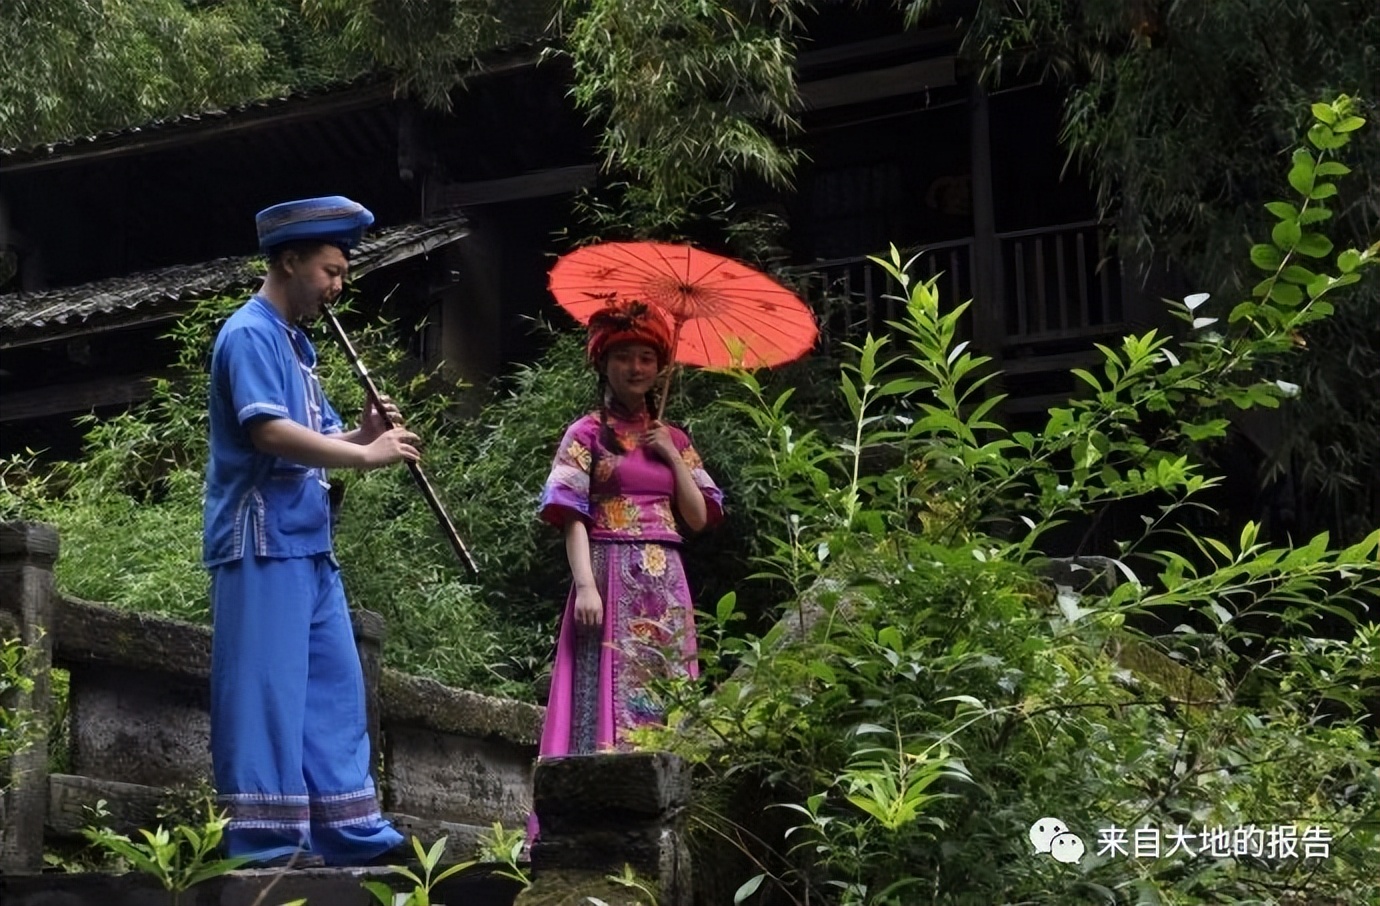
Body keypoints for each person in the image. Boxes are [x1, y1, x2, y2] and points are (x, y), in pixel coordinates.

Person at [202, 196, 415, 868]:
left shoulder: (299, 344)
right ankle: (264, 843)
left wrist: (365, 433)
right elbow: (268, 432)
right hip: (260, 540)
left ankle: (350, 831)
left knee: (334, 685)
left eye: (343, 273)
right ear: (289, 261)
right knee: (266, 690)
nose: (338, 285)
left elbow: (320, 437)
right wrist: (363, 456)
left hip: (310, 544)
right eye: (330, 270)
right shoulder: (249, 334)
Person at [535, 299, 725, 760]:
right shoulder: (585, 434)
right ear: (604, 363)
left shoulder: (674, 438)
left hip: (667, 581)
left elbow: (698, 517)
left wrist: (672, 456)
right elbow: (571, 514)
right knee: (606, 681)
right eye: (623, 356)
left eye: (646, 357)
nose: (635, 367)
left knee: (667, 678)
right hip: (608, 569)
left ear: (660, 367)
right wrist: (585, 586)